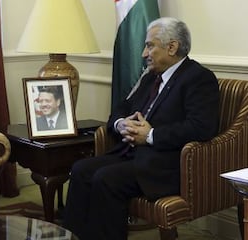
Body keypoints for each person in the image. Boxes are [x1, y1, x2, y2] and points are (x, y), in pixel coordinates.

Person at [63, 17, 220, 240]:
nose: (143, 54)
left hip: (165, 164)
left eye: (149, 46)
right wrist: (121, 124)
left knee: (106, 179)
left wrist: (151, 135)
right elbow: (122, 107)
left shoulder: (198, 78)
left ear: (172, 47)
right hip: (131, 155)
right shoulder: (150, 77)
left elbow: (201, 127)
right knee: (81, 169)